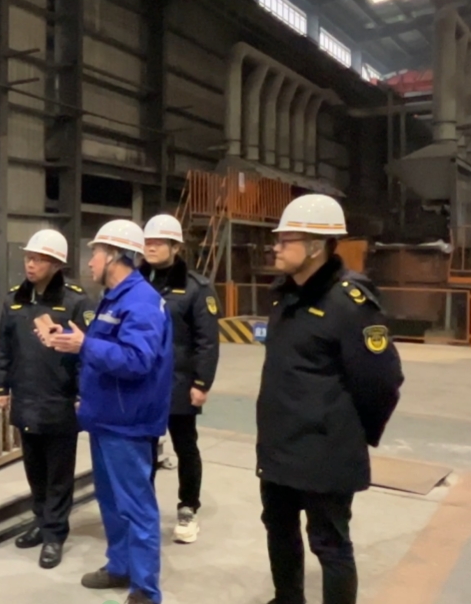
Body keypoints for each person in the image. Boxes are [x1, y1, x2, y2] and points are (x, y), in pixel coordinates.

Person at [256, 194, 404, 604]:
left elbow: (383, 380)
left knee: (330, 543)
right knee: (278, 527)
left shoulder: (349, 302)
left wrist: (350, 431)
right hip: (280, 444)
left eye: (286, 240)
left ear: (315, 247)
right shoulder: (284, 294)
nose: (276, 247)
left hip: (325, 449)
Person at [47, 219, 172, 604]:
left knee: (136, 508)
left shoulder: (141, 301)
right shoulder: (115, 297)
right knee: (113, 504)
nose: (89, 262)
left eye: (96, 253)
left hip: (128, 424)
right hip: (107, 419)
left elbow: (137, 360)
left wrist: (84, 345)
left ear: (115, 255)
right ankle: (120, 566)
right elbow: (105, 353)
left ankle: (145, 590)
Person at [0, 229, 91, 570]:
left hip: (60, 400)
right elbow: (4, 347)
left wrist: (82, 393)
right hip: (26, 398)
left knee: (59, 474)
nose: (30, 264)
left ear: (56, 264)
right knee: (34, 469)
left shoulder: (75, 302)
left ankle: (54, 535)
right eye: (28, 258)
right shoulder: (14, 300)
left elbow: (87, 354)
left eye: (38, 259)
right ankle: (40, 521)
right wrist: (1, 388)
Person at [139, 214, 220, 545]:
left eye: (159, 242)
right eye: (147, 242)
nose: (151, 247)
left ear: (175, 247)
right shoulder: (135, 282)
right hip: (142, 382)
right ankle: (143, 507)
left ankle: (188, 507)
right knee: (143, 447)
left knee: (185, 445)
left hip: (178, 383)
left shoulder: (196, 288)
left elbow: (207, 341)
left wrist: (201, 383)